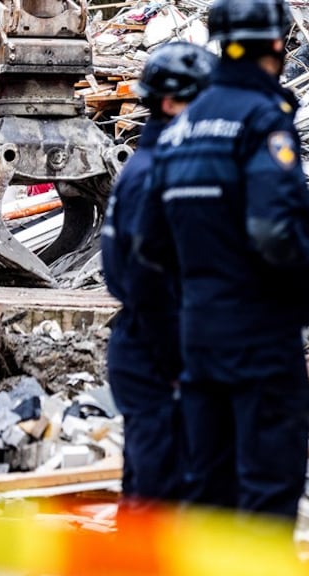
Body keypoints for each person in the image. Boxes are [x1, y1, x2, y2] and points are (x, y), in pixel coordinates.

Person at [135, 0, 309, 517]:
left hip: (198, 337)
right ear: (277, 45)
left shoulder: (181, 129)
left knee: (208, 491)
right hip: (260, 337)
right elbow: (272, 228)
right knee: (267, 487)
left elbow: (149, 244)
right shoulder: (263, 119)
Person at [101, 41, 215, 507]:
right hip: (154, 356)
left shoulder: (150, 166)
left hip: (146, 348)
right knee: (158, 497)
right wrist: (176, 364)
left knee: (151, 486)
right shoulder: (158, 175)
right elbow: (145, 281)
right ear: (170, 103)